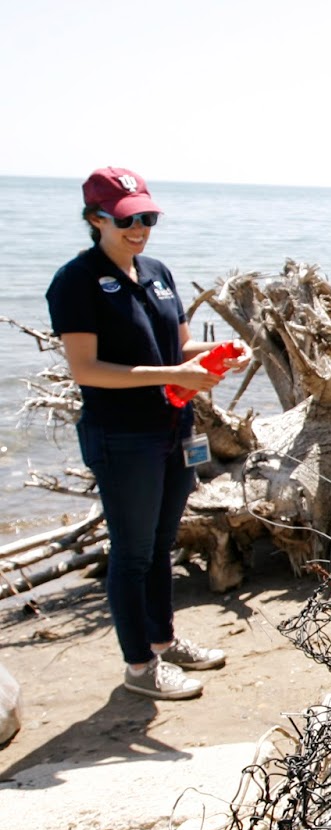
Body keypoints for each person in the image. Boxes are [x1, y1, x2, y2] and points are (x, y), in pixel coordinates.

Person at [45, 168, 247, 700]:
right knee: (131, 553)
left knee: (161, 544)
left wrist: (219, 352)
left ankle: (163, 640)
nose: (140, 228)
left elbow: (178, 351)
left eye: (148, 217)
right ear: (96, 220)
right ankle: (139, 668)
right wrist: (173, 376)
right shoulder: (76, 281)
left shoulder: (156, 271)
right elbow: (86, 369)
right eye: (128, 219)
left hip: (173, 431)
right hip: (122, 436)